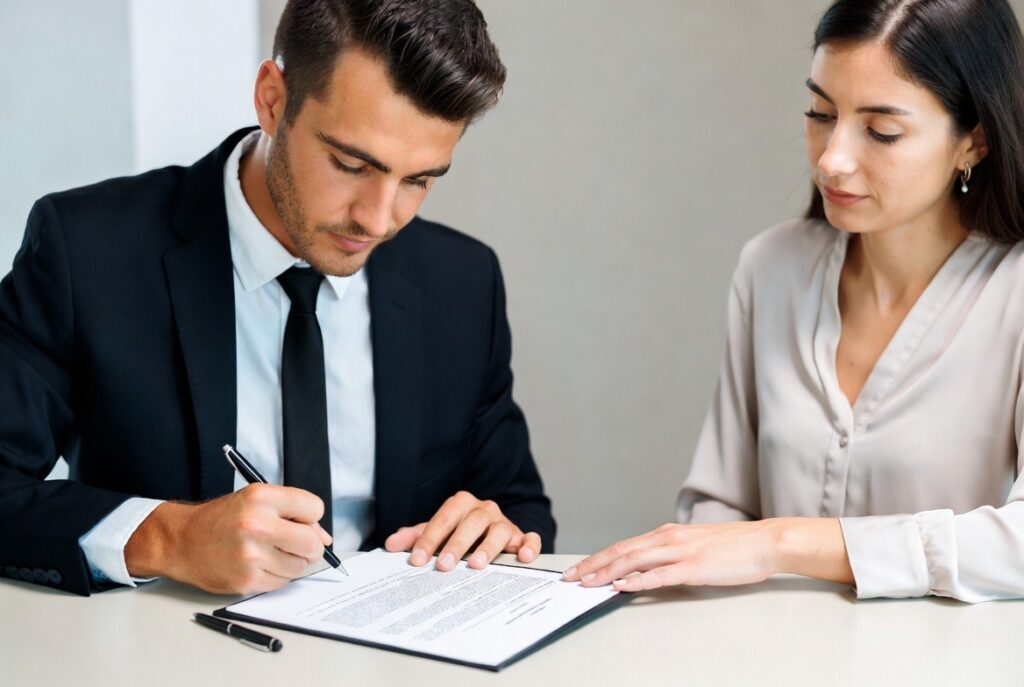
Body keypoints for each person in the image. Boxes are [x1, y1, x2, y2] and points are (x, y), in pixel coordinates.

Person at [0, 0, 554, 596]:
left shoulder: (462, 281)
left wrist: (496, 531)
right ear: (272, 99)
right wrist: (168, 538)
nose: (379, 219)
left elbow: (519, 507)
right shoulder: (88, 251)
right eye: (350, 164)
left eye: (418, 180)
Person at [565, 0, 1024, 603]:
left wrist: (782, 543)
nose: (832, 158)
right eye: (820, 112)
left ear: (976, 141)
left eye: (881, 131)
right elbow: (719, 502)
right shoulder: (771, 268)